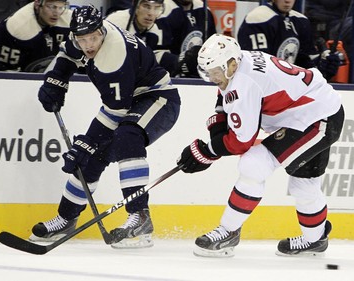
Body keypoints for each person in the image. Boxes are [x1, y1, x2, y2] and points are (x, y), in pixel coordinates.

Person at [177, 33, 344, 257]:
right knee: (304, 184)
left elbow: (241, 141)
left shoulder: (244, 82)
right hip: (318, 109)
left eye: (216, 72)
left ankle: (228, 231)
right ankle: (314, 240)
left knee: (253, 165)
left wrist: (207, 151)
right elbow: (225, 95)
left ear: (232, 64)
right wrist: (217, 126)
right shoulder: (237, 61)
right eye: (209, 72)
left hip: (315, 120)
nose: (213, 77)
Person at [30, 5, 181, 249]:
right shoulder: (80, 34)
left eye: (93, 38)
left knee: (127, 135)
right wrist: (56, 80)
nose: (88, 45)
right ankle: (66, 218)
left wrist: (85, 144)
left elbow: (116, 112)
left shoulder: (114, 56)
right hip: (128, 101)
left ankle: (139, 216)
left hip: (158, 99)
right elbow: (68, 55)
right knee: (93, 158)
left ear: (102, 30)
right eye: (82, 40)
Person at [237, 0, 340, 81]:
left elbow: (305, 63)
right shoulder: (259, 18)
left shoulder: (301, 21)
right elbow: (258, 68)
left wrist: (323, 64)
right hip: (262, 89)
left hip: (289, 88)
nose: (287, 1)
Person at [0, 0, 72, 72]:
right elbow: (2, 73)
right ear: (37, 4)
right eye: (51, 6)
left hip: (33, 67)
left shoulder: (67, 18)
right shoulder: (18, 28)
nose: (56, 13)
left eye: (61, 7)